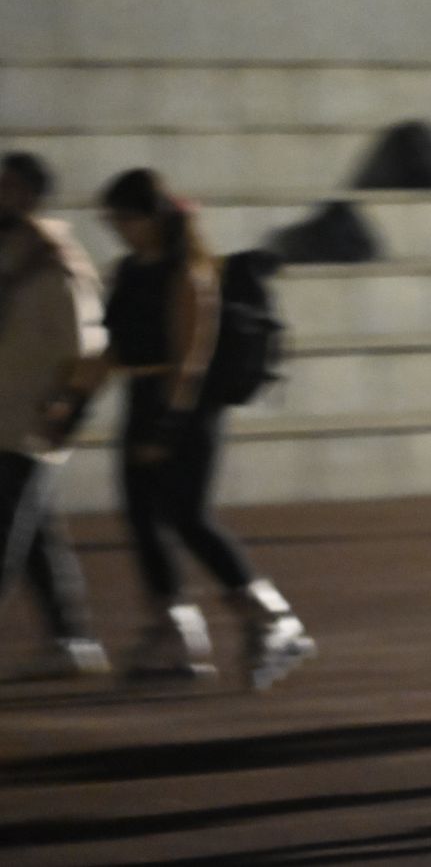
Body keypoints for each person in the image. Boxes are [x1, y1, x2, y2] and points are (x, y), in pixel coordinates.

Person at [82, 169, 314, 687]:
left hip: (186, 405)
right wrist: (72, 402)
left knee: (188, 517)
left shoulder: (188, 271)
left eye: (124, 218)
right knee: (142, 517)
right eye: (113, 219)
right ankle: (174, 631)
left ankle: (273, 620)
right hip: (142, 396)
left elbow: (191, 356)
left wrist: (166, 427)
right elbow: (113, 347)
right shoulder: (129, 272)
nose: (118, 228)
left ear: (151, 217)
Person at [0, 152, 110, 677]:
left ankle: (73, 639)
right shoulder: (11, 251)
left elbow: (86, 347)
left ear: (30, 195)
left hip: (30, 420)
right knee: (35, 533)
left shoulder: (58, 261)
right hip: (7, 414)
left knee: (6, 533)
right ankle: (72, 638)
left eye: (8, 186)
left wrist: (65, 409)